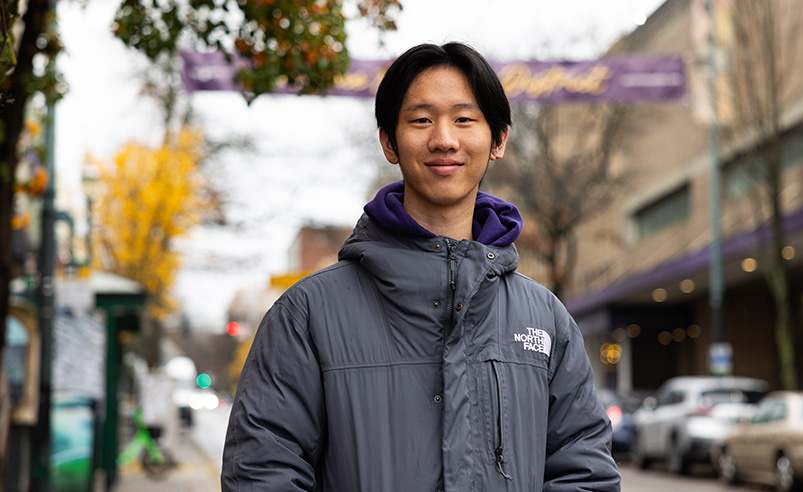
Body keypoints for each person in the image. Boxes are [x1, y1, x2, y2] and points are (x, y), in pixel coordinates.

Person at [222, 42, 621, 491]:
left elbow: (585, 471)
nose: (444, 139)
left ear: (499, 140)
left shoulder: (545, 319)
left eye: (464, 119)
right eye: (421, 120)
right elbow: (262, 470)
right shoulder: (307, 315)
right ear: (389, 142)